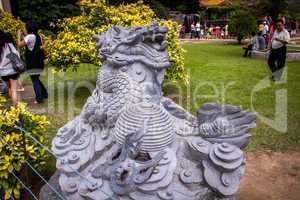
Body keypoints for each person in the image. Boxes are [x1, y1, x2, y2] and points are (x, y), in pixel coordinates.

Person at [17, 21, 48, 104]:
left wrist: (19, 35)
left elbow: (19, 45)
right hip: (39, 61)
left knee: (34, 80)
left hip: (32, 62)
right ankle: (44, 94)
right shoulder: (40, 36)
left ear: (28, 28)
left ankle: (39, 99)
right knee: (36, 78)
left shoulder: (29, 37)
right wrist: (24, 34)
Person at [0, 30, 20, 106]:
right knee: (14, 90)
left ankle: (12, 106)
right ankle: (15, 109)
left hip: (3, 72)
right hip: (12, 70)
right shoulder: (9, 45)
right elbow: (16, 54)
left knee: (9, 88)